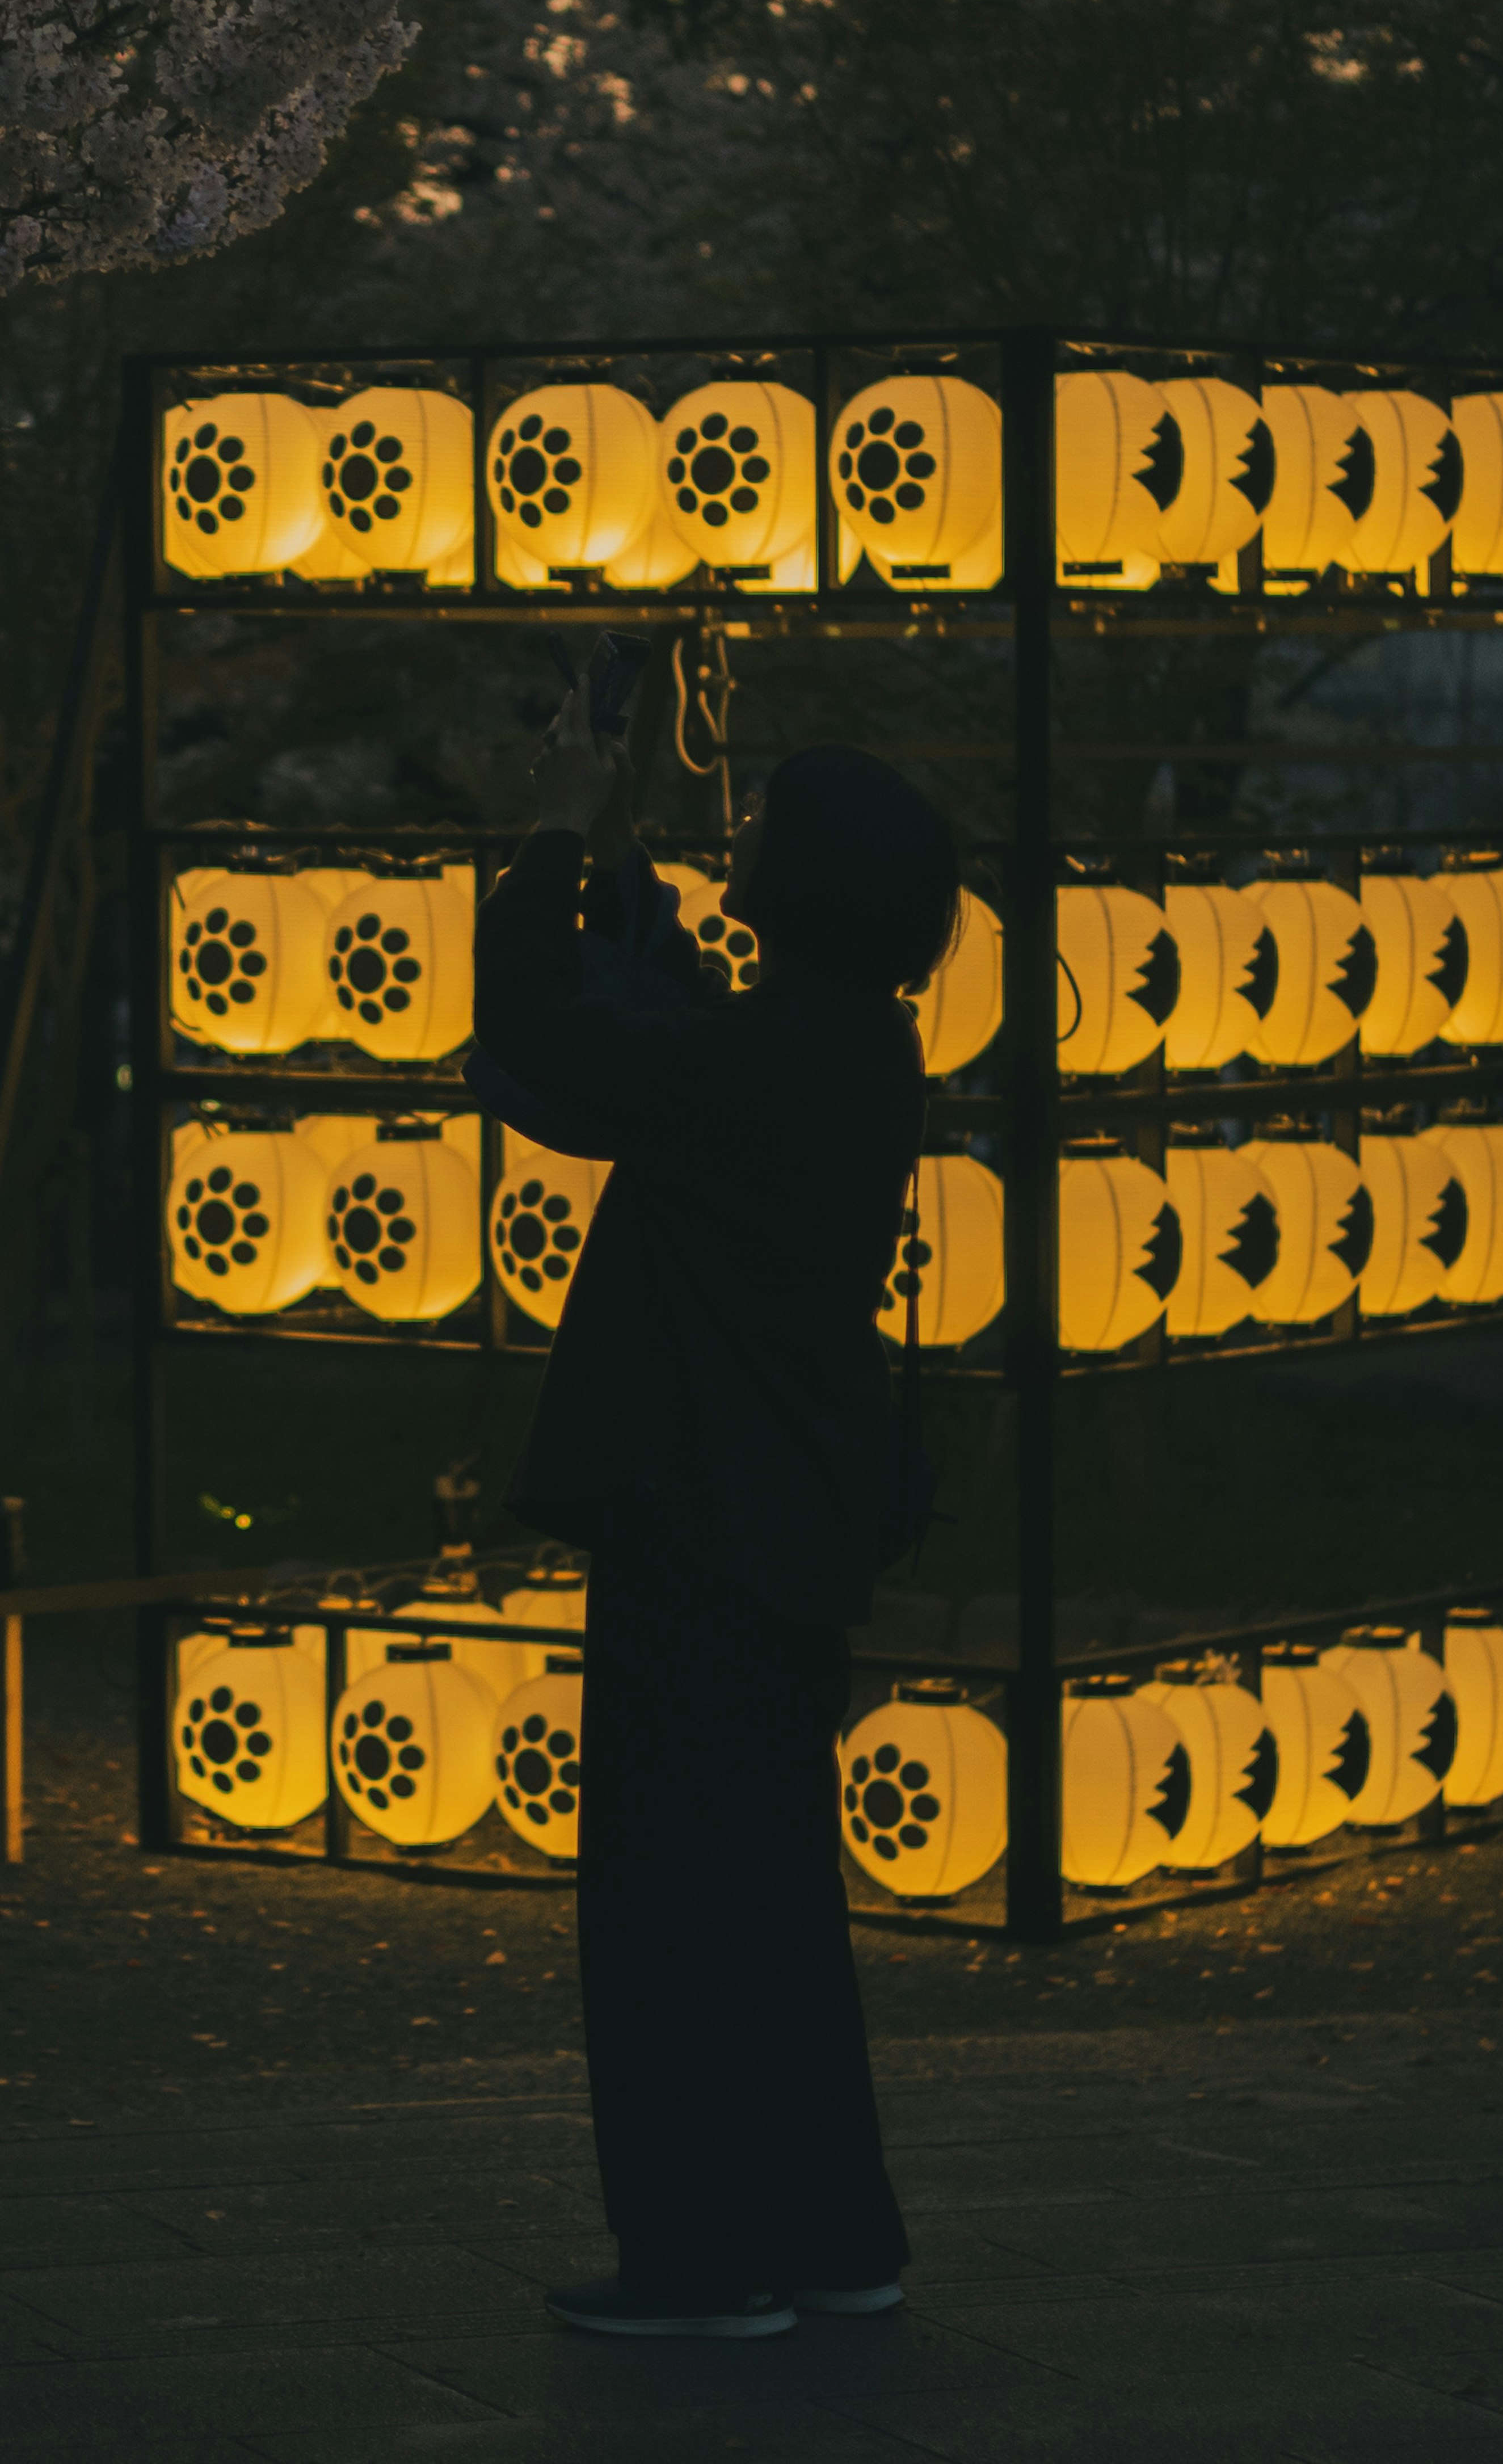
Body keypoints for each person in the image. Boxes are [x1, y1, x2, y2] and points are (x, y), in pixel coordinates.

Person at [473, 676, 957, 2341]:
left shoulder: (772, 1060)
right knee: (770, 1898)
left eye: (764, 825)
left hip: (702, 1508)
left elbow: (549, 1044)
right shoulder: (850, 1043)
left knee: (675, 1902)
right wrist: (622, 876)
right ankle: (831, 2238)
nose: (737, 829)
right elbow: (682, 1034)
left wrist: (546, 841)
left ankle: (703, 2262)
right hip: (792, 1523)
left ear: (806, 879)